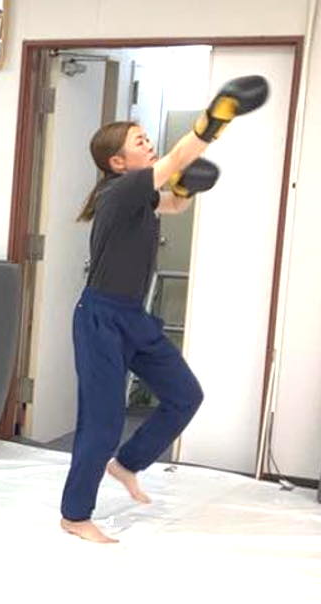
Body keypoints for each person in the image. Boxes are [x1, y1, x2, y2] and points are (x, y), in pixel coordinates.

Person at [60, 76, 268, 544]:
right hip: (100, 318)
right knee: (102, 422)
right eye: (139, 142)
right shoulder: (120, 191)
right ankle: (74, 515)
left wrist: (186, 191)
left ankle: (128, 463)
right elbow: (175, 160)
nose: (148, 145)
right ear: (117, 162)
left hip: (133, 316)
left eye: (147, 138)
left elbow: (171, 205)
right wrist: (218, 117)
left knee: (185, 395)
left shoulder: (139, 195)